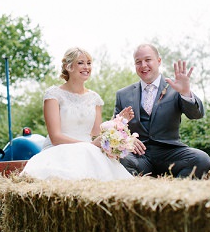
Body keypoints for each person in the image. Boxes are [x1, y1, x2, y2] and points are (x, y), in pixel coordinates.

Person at [21, 47, 133, 181]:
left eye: (89, 63)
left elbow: (97, 133)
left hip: (89, 152)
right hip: (60, 150)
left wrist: (118, 122)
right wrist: (89, 145)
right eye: (81, 63)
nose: (86, 67)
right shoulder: (53, 95)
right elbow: (56, 137)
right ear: (68, 66)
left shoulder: (95, 98)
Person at [115, 44, 210, 179]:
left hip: (171, 154)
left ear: (158, 61)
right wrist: (128, 139)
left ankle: (172, 194)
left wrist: (185, 92)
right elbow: (115, 129)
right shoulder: (122, 94)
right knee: (118, 159)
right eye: (138, 62)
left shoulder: (175, 87)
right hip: (139, 157)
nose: (143, 65)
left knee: (201, 159)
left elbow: (196, 115)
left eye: (148, 60)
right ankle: (142, 195)